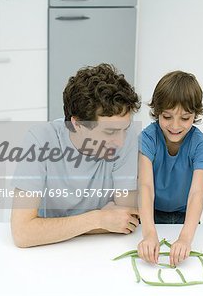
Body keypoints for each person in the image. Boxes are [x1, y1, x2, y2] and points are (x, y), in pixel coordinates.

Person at [10, 63, 141, 247]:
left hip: (101, 247)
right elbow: (22, 233)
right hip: (49, 252)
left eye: (125, 129)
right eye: (110, 132)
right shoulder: (40, 140)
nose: (120, 141)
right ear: (77, 124)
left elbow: (127, 219)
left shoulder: (126, 138)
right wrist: (99, 219)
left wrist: (54, 228)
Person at [137, 71, 203, 267]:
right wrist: (149, 233)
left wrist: (186, 238)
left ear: (195, 115)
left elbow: (197, 193)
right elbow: (145, 186)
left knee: (184, 263)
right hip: (150, 213)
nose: (175, 126)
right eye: (167, 117)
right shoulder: (147, 138)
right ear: (157, 112)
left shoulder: (202, 146)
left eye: (185, 118)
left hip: (184, 215)